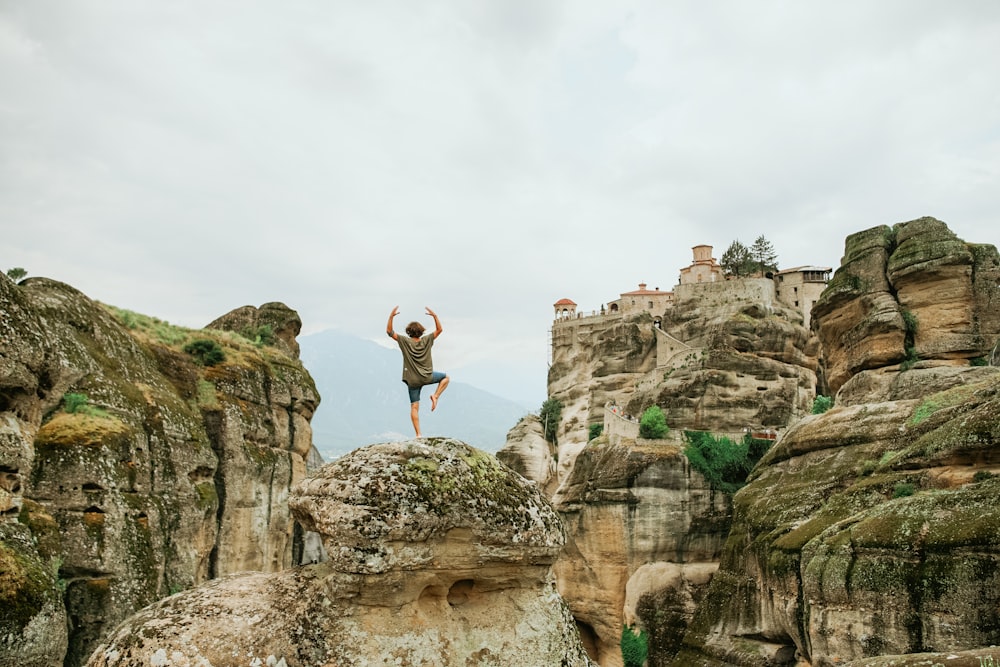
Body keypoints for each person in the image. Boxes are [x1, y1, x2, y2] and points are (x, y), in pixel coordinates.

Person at [386, 306, 449, 437]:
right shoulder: (427, 340)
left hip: (413, 380)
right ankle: (435, 396)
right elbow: (439, 330)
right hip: (427, 376)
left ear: (409, 332)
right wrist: (435, 316)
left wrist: (391, 317)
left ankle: (418, 435)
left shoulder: (404, 341)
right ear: (421, 332)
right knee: (446, 378)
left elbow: (389, 331)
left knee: (414, 407)